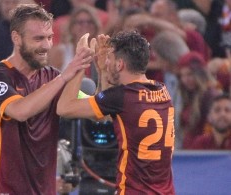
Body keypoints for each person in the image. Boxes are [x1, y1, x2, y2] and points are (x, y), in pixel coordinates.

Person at [0, 4, 93, 194]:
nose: (47, 45)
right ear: (17, 38)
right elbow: (20, 111)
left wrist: (107, 78)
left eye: (49, 38)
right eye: (38, 39)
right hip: (5, 189)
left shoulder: (53, 78)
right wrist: (65, 76)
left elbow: (87, 106)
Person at [57, 31, 175, 194]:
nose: (106, 61)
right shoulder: (162, 91)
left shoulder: (121, 97)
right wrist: (104, 72)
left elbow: (64, 108)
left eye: (109, 58)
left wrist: (81, 63)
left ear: (120, 64)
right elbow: (104, 115)